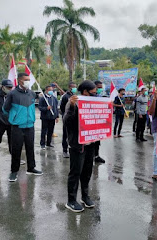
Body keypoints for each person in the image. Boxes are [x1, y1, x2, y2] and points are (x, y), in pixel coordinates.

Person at [64, 80, 97, 213]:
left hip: (90, 143)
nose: (95, 95)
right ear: (85, 92)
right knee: (75, 172)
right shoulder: (73, 102)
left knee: (87, 171)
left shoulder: (94, 102)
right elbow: (66, 121)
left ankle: (85, 196)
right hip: (78, 145)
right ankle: (71, 200)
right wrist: (72, 106)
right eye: (93, 93)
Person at [3, 73, 43, 182]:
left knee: (30, 148)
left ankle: (31, 168)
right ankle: (14, 171)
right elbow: (5, 109)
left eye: (29, 80)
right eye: (26, 80)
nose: (28, 82)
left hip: (30, 125)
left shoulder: (31, 93)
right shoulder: (12, 94)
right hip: (17, 126)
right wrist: (14, 118)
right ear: (20, 81)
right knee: (16, 149)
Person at [38, 85, 59, 150]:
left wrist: (57, 116)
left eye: (52, 90)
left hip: (52, 118)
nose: (51, 91)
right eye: (50, 90)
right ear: (46, 90)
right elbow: (40, 107)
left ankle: (49, 143)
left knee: (50, 131)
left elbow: (56, 108)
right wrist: (46, 108)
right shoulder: (43, 98)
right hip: (45, 118)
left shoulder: (54, 98)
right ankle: (42, 144)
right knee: (44, 131)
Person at [60, 82, 77, 158]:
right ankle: (64, 150)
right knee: (65, 134)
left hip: (74, 119)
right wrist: (66, 115)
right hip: (67, 118)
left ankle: (71, 148)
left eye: (75, 87)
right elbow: (62, 108)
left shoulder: (75, 96)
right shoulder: (65, 96)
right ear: (70, 87)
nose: (75, 88)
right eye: (73, 87)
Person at [93, 80, 106, 163]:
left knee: (97, 141)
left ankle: (96, 156)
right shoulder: (88, 97)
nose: (100, 89)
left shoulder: (100, 96)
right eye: (99, 87)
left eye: (101, 87)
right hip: (90, 122)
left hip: (98, 122)